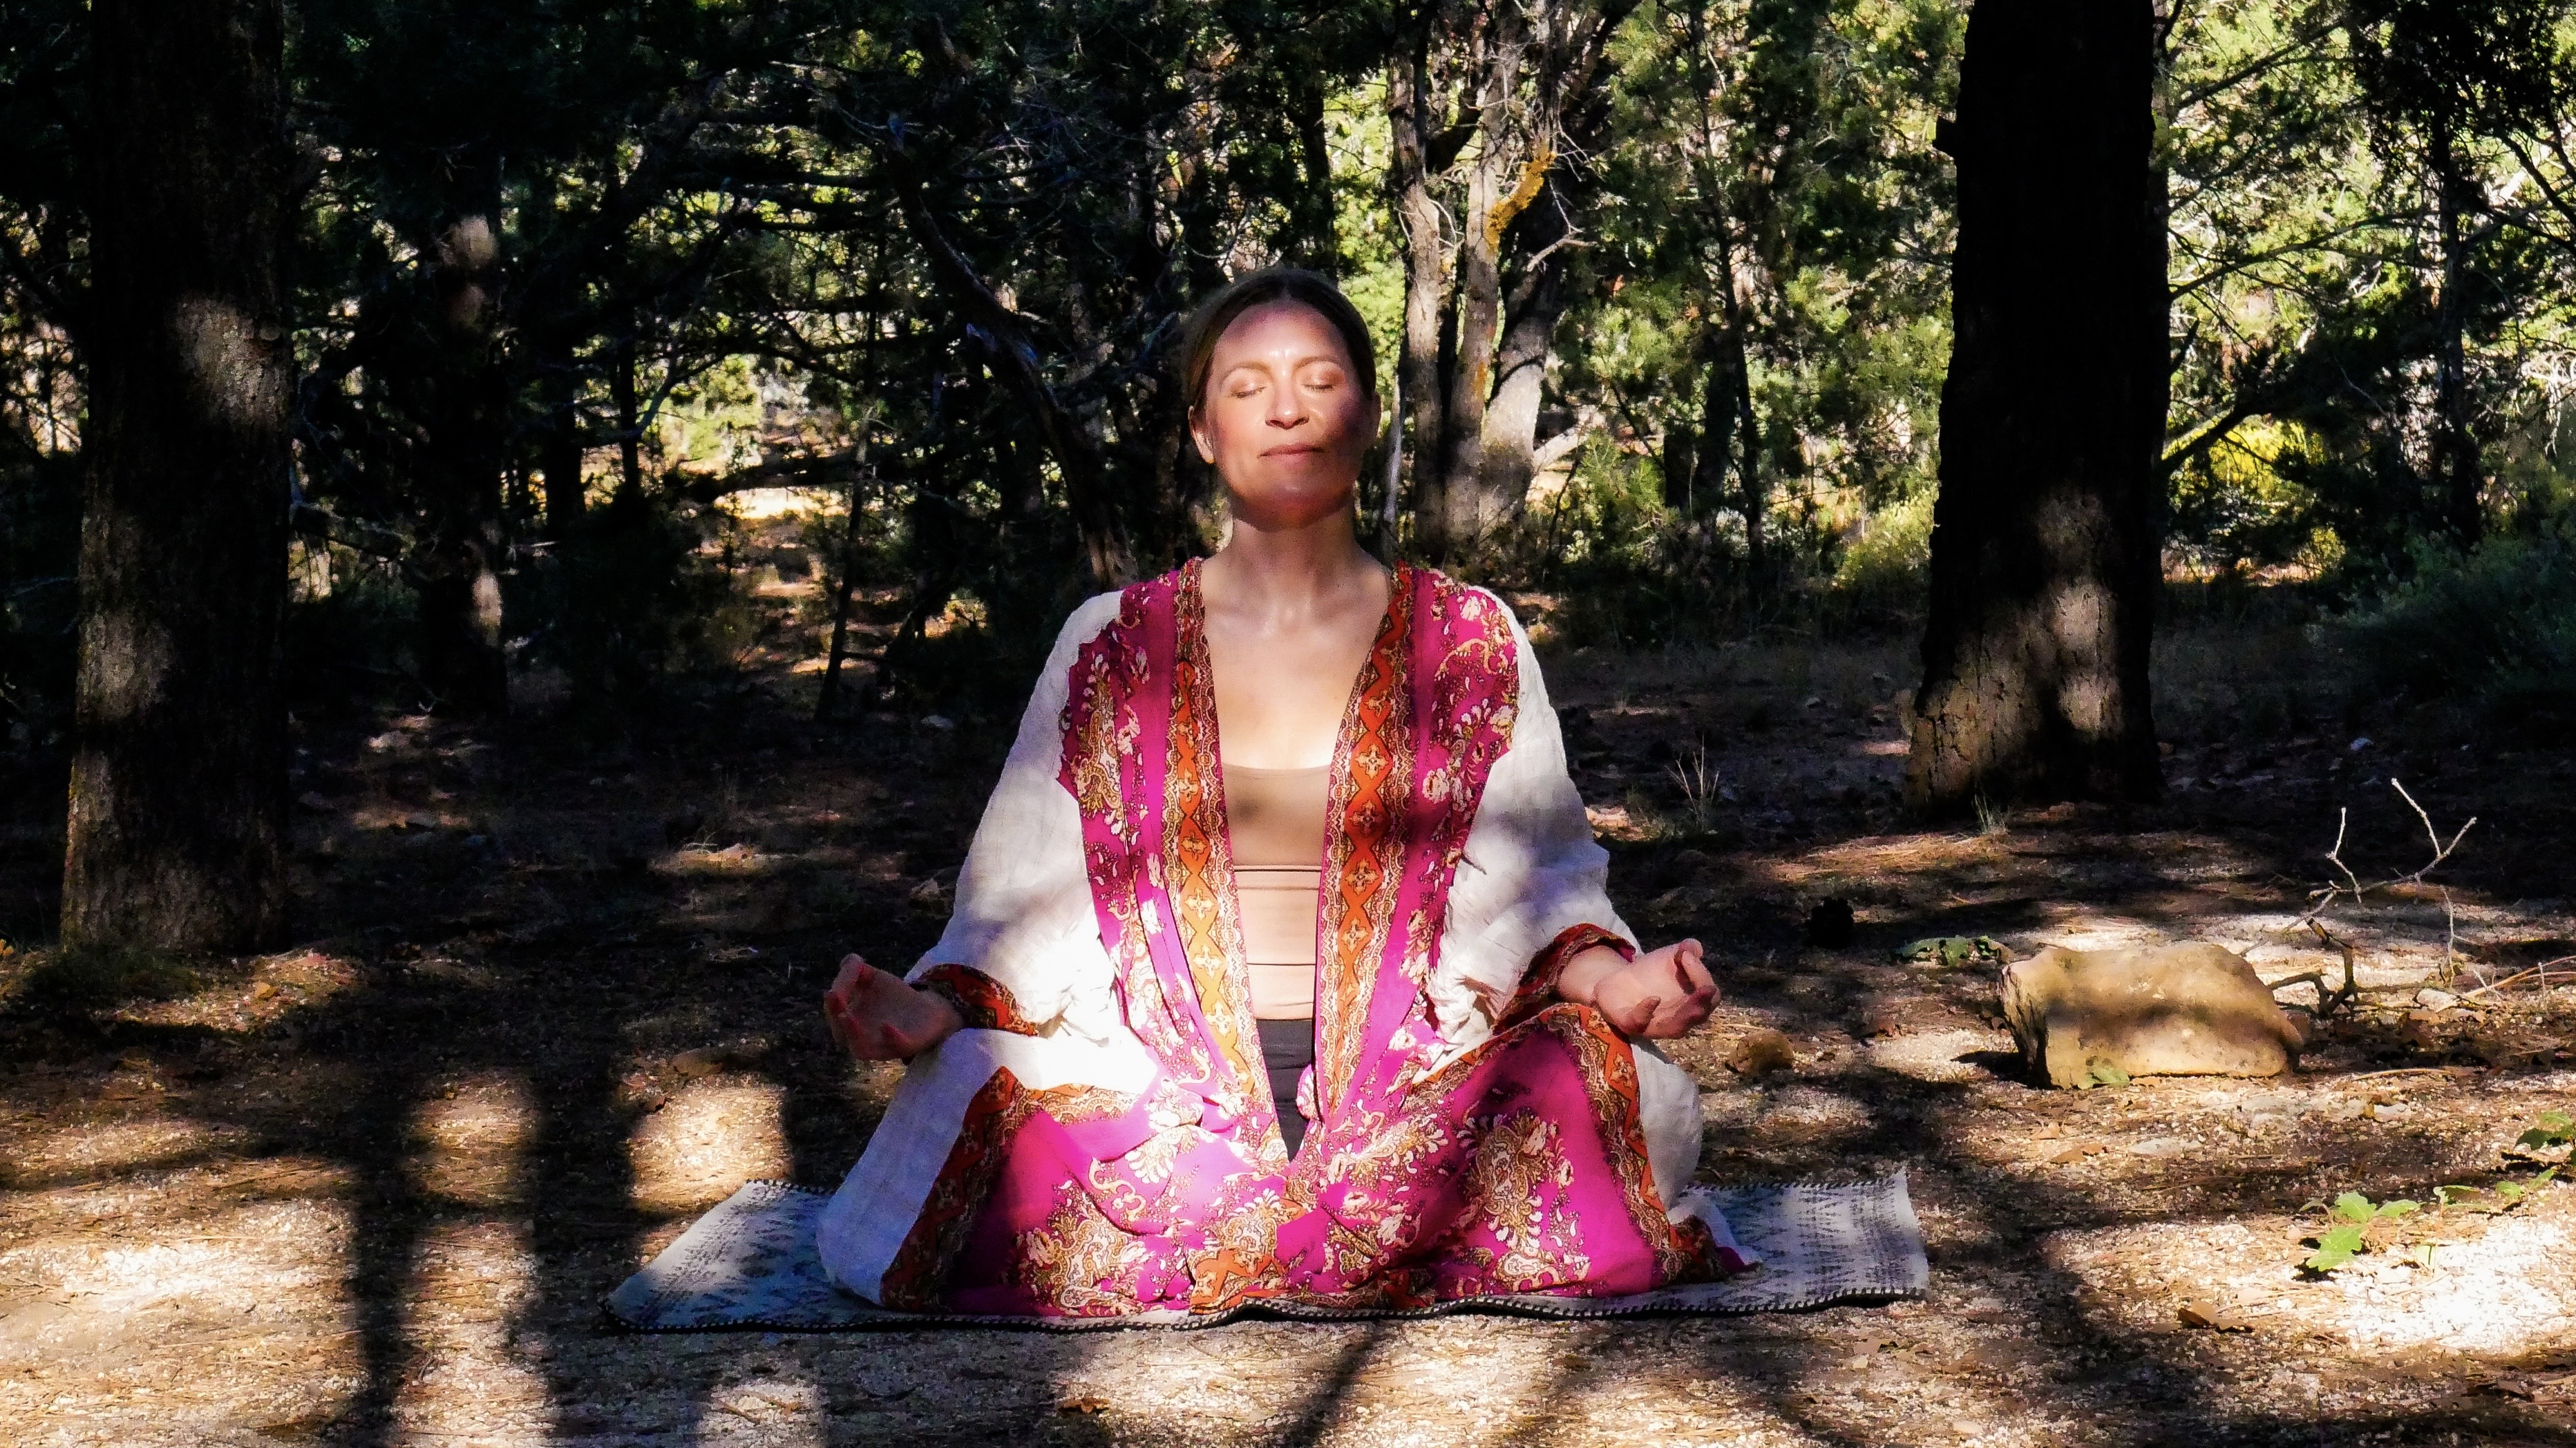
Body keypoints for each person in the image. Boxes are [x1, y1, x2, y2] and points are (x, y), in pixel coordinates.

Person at [813, 267, 1750, 1317]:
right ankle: (1317, 1221)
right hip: (1149, 1091)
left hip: (1422, 1093)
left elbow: (1542, 891)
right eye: (1249, 386)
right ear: (1205, 430)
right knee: (963, 1090)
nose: (1289, 408)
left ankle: (1256, 1225)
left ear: (1367, 414)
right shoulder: (1112, 645)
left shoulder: (1469, 638)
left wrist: (1621, 987)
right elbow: (1018, 901)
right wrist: (932, 1008)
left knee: (1618, 1082)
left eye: (1319, 380)